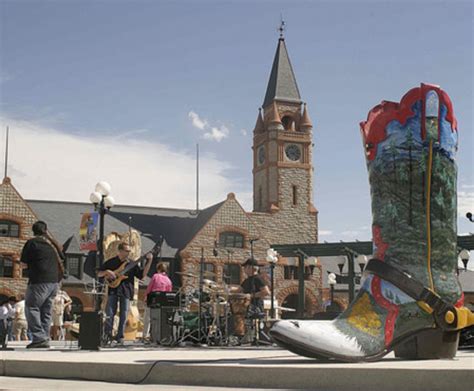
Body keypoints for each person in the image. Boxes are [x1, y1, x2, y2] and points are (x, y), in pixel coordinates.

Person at [97, 242, 152, 345]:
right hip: (113, 289)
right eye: (126, 251)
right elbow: (99, 273)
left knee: (124, 315)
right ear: (120, 251)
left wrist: (149, 261)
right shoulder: (111, 262)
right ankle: (107, 336)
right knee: (110, 313)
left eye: (129, 251)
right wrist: (107, 272)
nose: (128, 253)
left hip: (126, 291)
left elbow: (142, 275)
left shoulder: (131, 263)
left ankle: (120, 337)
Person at [20, 220, 64, 349]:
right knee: (46, 310)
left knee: (31, 307)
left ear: (33, 231)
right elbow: (62, 257)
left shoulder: (32, 243)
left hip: (39, 281)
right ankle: (44, 337)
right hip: (54, 282)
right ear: (46, 230)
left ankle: (39, 337)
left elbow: (23, 264)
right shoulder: (52, 244)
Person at [143, 262, 173, 341]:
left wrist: (146, 297)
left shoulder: (155, 276)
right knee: (158, 319)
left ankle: (145, 336)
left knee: (148, 318)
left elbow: (149, 288)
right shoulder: (168, 280)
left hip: (152, 299)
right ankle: (157, 336)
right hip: (162, 302)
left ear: (158, 269)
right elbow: (168, 293)